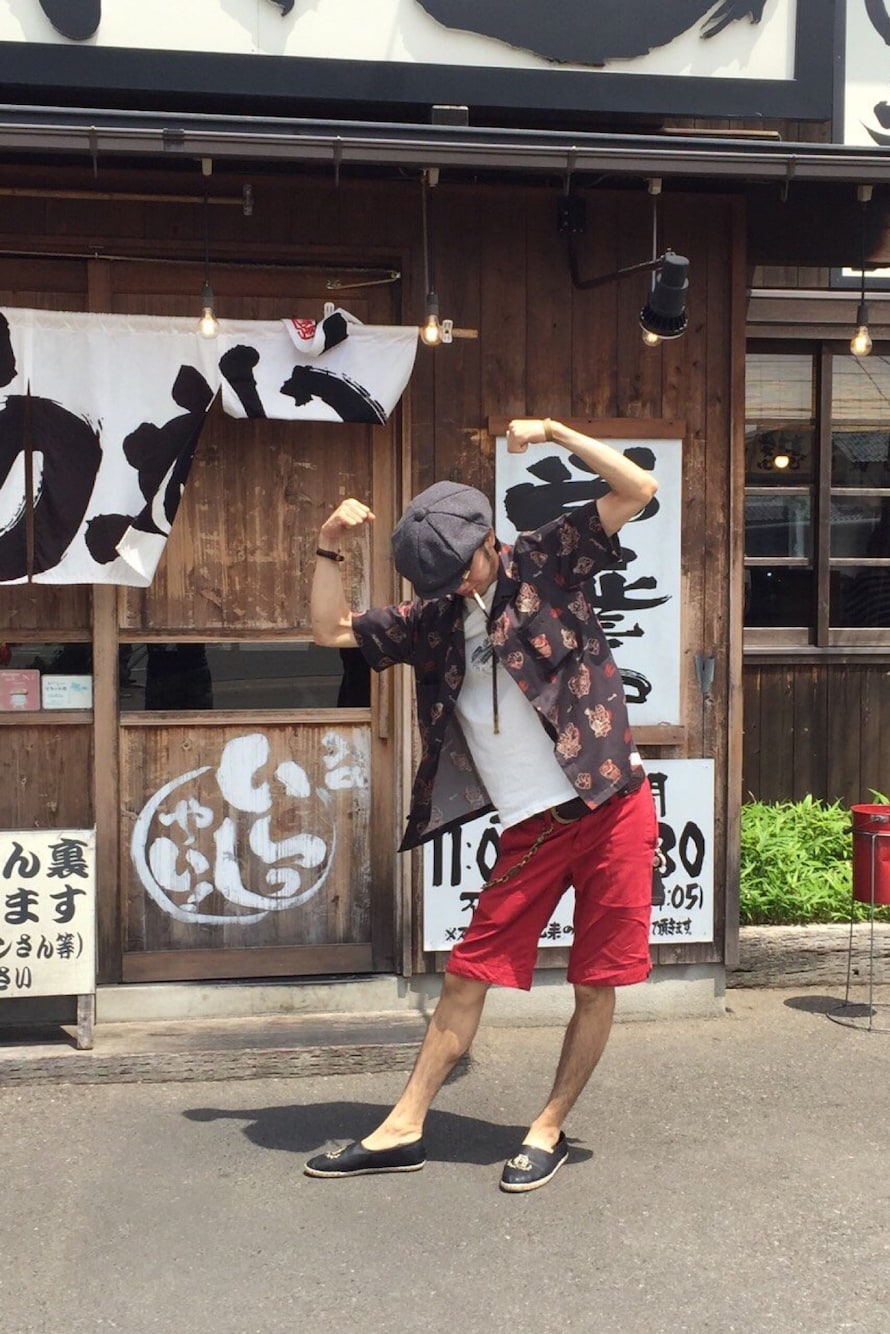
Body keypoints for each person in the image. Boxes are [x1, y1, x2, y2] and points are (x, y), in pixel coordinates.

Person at [306, 416, 661, 1193]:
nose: (460, 587)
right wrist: (329, 546)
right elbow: (329, 629)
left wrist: (557, 431)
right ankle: (403, 1127)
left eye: (462, 570)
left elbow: (639, 488)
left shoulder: (547, 561)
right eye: (440, 582)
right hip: (532, 829)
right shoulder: (433, 621)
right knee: (469, 972)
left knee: (594, 979)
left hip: (612, 807)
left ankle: (548, 1126)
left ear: (487, 540)